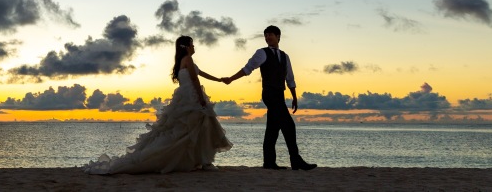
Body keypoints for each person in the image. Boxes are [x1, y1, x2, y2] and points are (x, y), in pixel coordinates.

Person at [84, 35, 232, 174]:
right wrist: (201, 100)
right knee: (200, 128)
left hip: (185, 96)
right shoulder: (188, 59)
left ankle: (200, 161)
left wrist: (219, 80)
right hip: (191, 97)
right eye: (192, 45)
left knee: (195, 129)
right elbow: (195, 80)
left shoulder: (184, 61)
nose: (194, 47)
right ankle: (205, 162)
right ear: (186, 47)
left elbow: (201, 73)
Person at [224, 25, 317, 171]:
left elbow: (290, 78)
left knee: (273, 128)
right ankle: (295, 160)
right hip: (269, 93)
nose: (268, 37)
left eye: (270, 35)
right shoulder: (262, 53)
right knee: (289, 125)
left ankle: (269, 162)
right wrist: (231, 78)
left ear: (278, 37)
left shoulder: (285, 56)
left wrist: (294, 97)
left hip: (280, 94)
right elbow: (248, 68)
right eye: (266, 35)